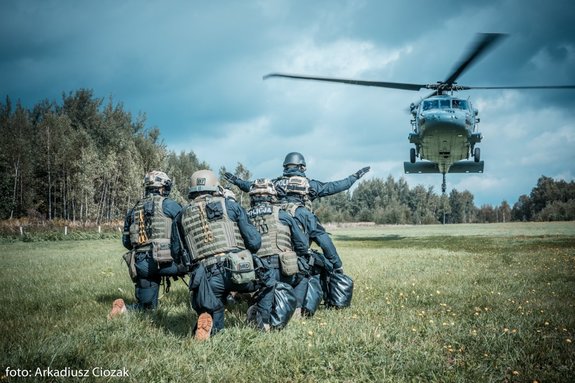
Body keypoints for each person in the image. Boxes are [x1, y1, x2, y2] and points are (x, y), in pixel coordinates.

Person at [225, 152, 370, 273]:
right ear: (301, 167)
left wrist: (236, 180)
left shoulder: (275, 183)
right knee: (321, 235)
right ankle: (337, 267)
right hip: (301, 214)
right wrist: (355, 176)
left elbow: (251, 186)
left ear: (286, 167)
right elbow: (336, 186)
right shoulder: (309, 184)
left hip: (278, 214)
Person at [178, 169, 272, 340]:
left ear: (192, 189)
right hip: (238, 270)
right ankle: (261, 321)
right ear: (215, 186)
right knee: (269, 279)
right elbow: (255, 242)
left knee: (215, 306)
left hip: (206, 276)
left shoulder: (181, 215)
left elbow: (177, 252)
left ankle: (211, 324)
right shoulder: (231, 206)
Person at [109, 171, 185, 318]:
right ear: (163, 188)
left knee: (146, 308)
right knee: (199, 267)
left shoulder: (134, 210)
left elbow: (126, 242)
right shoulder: (170, 205)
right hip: (169, 264)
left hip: (142, 265)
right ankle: (207, 306)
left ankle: (124, 310)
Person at [246, 178, 309, 320]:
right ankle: (295, 312)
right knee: (303, 275)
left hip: (255, 271)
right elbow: (302, 245)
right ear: (272, 196)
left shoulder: (244, 216)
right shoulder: (282, 214)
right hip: (281, 269)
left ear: (252, 197)